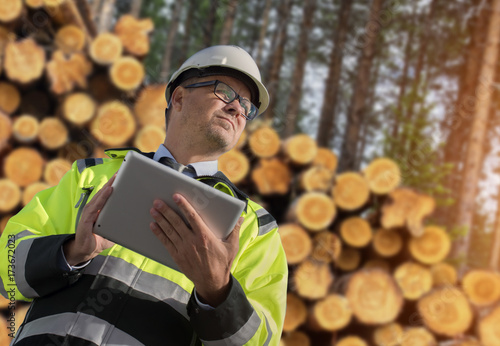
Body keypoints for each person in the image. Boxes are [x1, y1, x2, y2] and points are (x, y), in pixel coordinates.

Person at [0, 45, 288, 346]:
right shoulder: (90, 176)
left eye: (246, 106)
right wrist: (72, 252)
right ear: (178, 98)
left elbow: (261, 341)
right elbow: (6, 267)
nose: (237, 109)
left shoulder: (254, 227)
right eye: (225, 92)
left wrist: (217, 292)